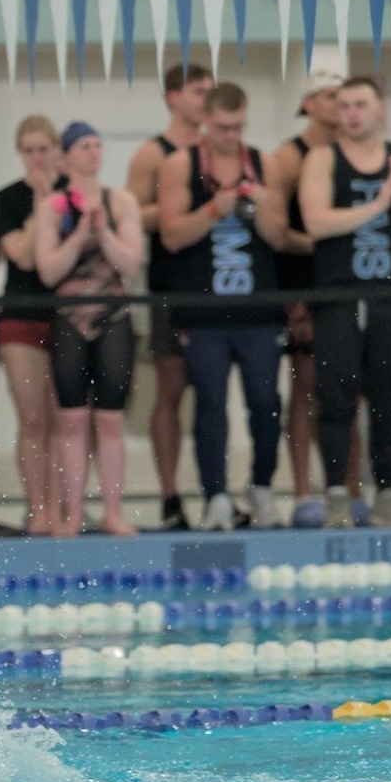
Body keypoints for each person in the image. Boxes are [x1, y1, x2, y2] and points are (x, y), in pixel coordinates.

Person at [156, 82, 295, 531]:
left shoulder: (264, 163)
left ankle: (263, 489)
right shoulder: (181, 164)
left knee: (266, 403)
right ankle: (215, 495)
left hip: (258, 309)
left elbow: (279, 237)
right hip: (205, 311)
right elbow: (171, 236)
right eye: (222, 128)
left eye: (238, 127)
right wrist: (214, 211)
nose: (231, 136)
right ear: (205, 122)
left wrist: (259, 208)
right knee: (210, 405)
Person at [298, 77, 391, 528]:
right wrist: (376, 206)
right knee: (335, 397)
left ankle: (388, 489)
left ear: (380, 111)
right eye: (345, 106)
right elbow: (317, 222)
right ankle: (337, 492)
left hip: (390, 294)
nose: (352, 114)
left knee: (388, 396)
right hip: (339, 294)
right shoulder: (322, 158)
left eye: (361, 105)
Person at [34, 123, 145, 537]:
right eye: (84, 146)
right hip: (69, 316)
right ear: (64, 157)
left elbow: (129, 264)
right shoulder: (53, 207)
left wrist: (103, 232)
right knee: (71, 420)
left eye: (98, 145)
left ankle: (113, 511)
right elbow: (48, 272)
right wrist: (80, 234)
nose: (93, 152)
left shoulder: (122, 202)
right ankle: (73, 513)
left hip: (113, 315)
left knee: (111, 419)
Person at [127, 65, 212, 531]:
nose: (206, 101)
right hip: (171, 285)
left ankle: (216, 491)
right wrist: (178, 206)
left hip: (218, 283)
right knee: (171, 388)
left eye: (210, 92)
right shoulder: (153, 154)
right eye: (198, 92)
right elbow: (130, 215)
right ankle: (169, 494)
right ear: (173, 97)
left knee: (215, 391)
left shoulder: (220, 151)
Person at [268, 69, 346, 525]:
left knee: (347, 390)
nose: (339, 105)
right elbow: (278, 234)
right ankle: (302, 491)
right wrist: (324, 244)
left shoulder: (351, 151)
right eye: (331, 97)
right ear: (310, 103)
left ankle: (348, 489)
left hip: (344, 284)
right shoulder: (288, 157)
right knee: (306, 387)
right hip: (303, 283)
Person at [0, 117, 64, 535]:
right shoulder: (8, 199)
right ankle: (38, 507)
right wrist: (41, 207)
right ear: (20, 153)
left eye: (43, 149)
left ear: (57, 150)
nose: (37, 158)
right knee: (33, 419)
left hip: (68, 315)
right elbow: (21, 255)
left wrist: (56, 200)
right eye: (29, 150)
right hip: (21, 315)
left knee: (65, 421)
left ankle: (63, 505)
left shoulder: (76, 193)